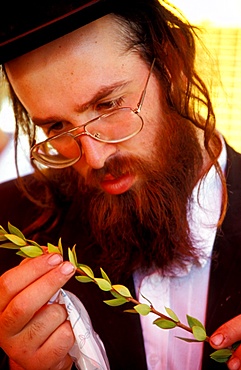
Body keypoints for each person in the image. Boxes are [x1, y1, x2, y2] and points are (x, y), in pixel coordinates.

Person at [0, 0, 241, 369]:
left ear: (172, 65)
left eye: (109, 104)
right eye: (57, 127)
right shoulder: (8, 229)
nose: (94, 157)